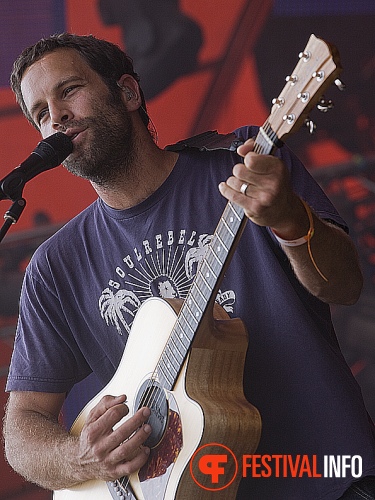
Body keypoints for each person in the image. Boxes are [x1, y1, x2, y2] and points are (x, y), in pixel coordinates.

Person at [2, 33, 375, 500]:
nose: (55, 117)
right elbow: (22, 428)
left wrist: (289, 219)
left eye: (69, 90)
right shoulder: (56, 265)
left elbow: (344, 285)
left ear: (129, 93)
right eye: (40, 113)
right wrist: (78, 457)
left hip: (325, 479)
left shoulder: (245, 161)